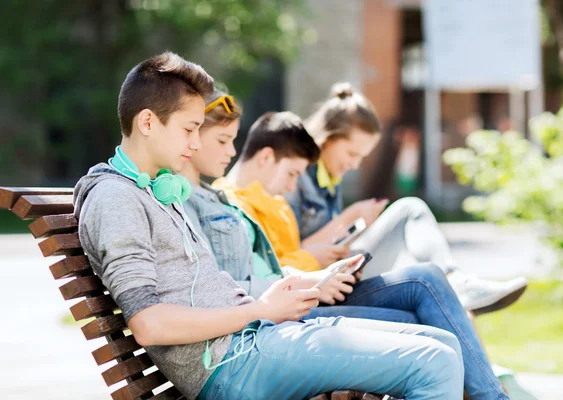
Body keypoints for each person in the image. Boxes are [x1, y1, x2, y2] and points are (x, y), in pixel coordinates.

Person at [73, 52, 464, 400]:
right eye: (189, 128)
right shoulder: (116, 198)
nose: (196, 143)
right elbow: (149, 325)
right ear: (147, 122)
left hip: (254, 340)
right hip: (232, 363)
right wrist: (262, 309)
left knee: (442, 342)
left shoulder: (157, 189)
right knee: (435, 362)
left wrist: (269, 298)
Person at [209, 108, 509, 399]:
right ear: (265, 157)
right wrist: (316, 273)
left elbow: (285, 258)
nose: (292, 186)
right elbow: (259, 279)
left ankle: (491, 390)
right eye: (291, 174)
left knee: (426, 278)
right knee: (422, 310)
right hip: (300, 308)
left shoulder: (273, 203)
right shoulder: (232, 209)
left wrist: (329, 264)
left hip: (319, 291)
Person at [286, 82, 527, 315]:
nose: (354, 164)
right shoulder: (294, 180)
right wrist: (351, 216)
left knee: (420, 256)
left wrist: (351, 233)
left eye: (361, 157)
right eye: (351, 153)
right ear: (326, 138)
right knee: (410, 209)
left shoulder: (329, 180)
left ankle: (458, 284)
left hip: (339, 271)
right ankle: (457, 283)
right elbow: (289, 253)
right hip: (317, 284)